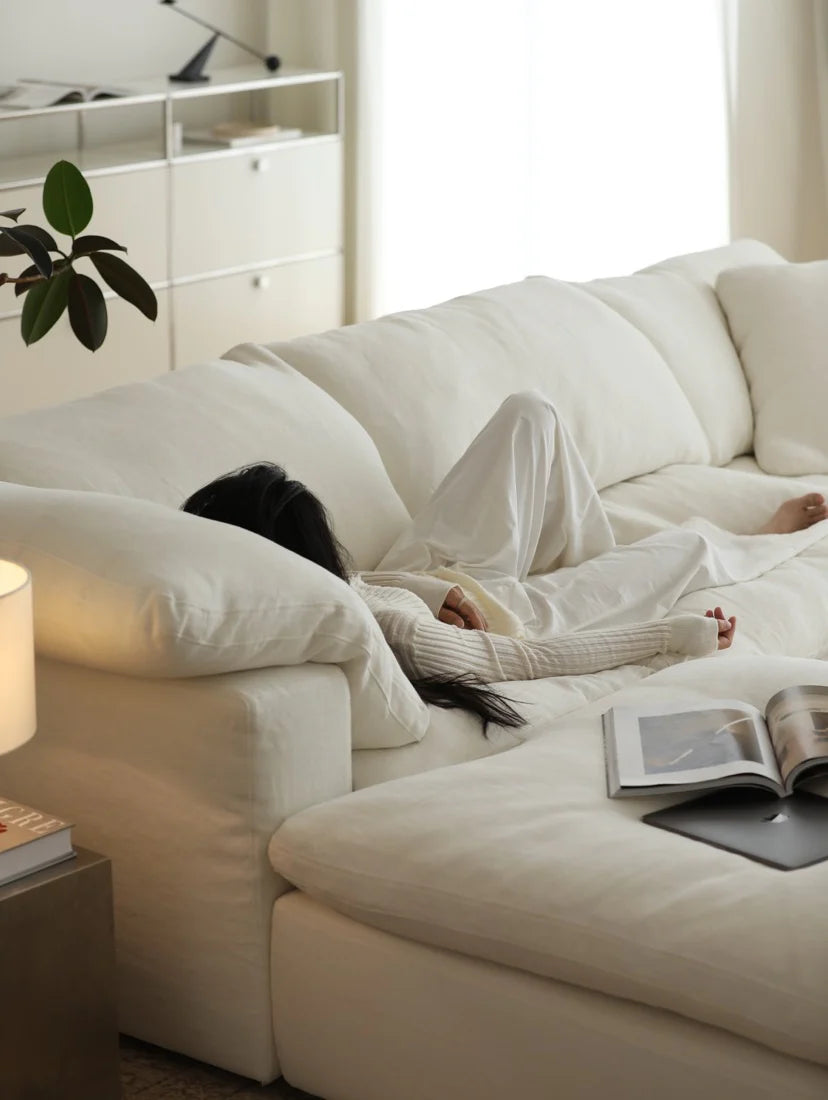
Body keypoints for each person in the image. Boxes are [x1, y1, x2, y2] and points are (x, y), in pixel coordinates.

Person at [182, 391, 828, 731]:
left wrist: (428, 591)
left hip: (426, 573)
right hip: (519, 614)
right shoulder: (402, 638)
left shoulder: (328, 591)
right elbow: (525, 659)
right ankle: (649, 563)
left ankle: (594, 555)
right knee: (688, 550)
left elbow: (355, 583)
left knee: (531, 415)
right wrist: (674, 635)